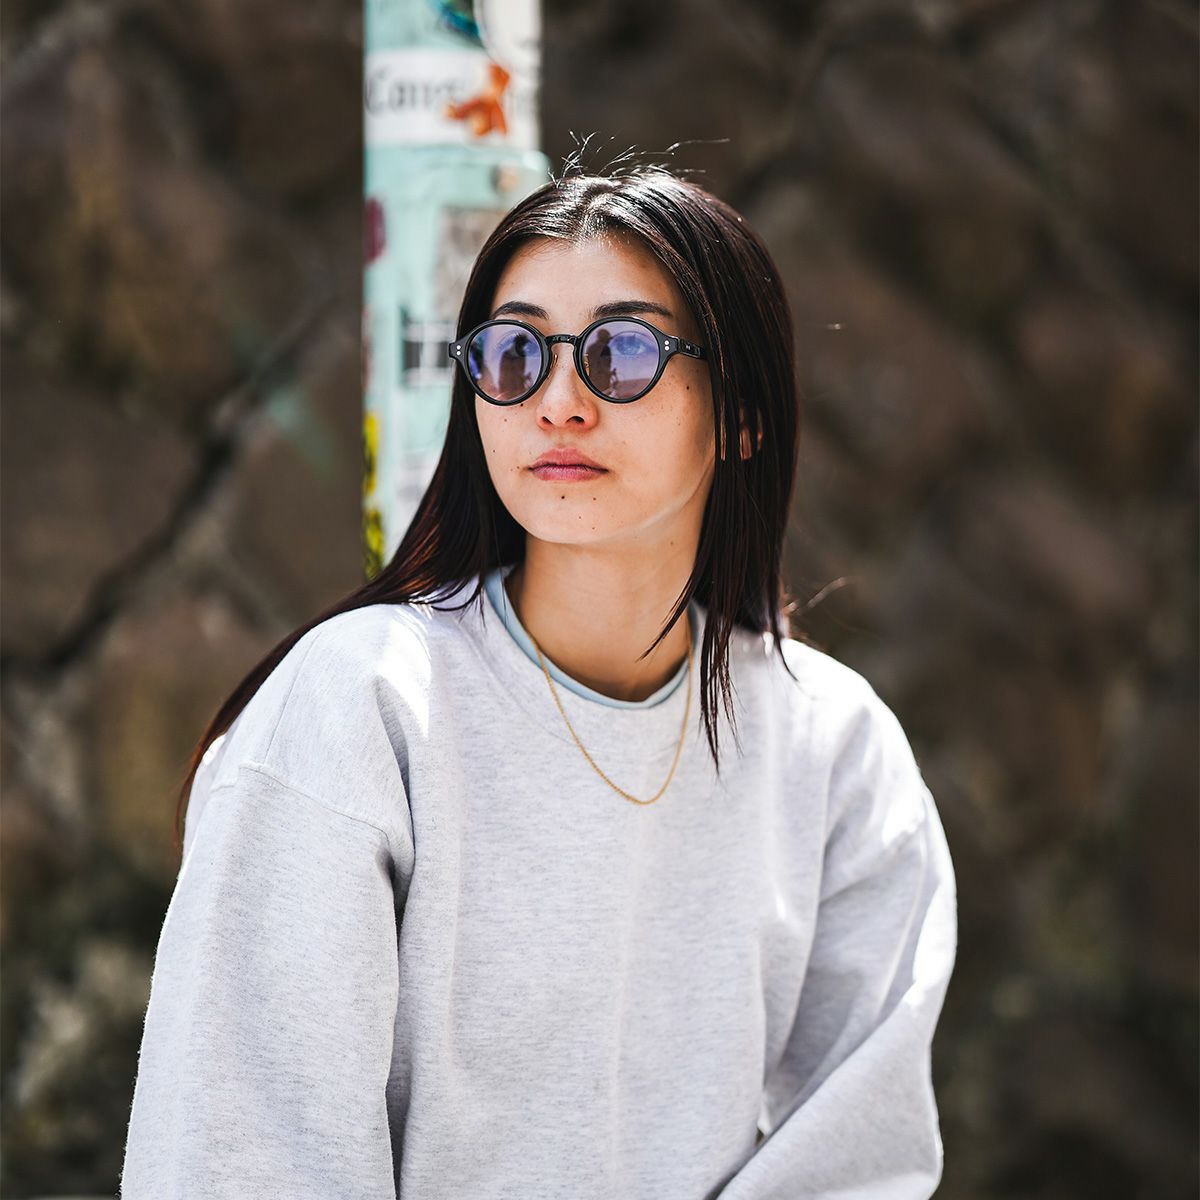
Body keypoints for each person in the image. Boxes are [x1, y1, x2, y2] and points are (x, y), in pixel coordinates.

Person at [120, 166, 958, 1199]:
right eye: (513, 355)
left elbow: (858, 1159)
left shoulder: (836, 752)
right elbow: (241, 1152)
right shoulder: (360, 705)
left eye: (622, 352)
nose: (558, 403)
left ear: (741, 413)